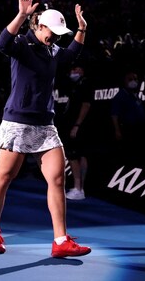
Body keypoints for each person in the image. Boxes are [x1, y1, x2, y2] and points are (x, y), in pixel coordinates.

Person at [0, 0, 91, 258]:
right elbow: (1, 44)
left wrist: (81, 29)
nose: (54, 36)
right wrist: (21, 15)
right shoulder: (22, 43)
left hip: (45, 125)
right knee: (4, 177)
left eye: (58, 33)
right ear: (40, 25)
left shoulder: (53, 50)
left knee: (56, 178)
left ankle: (61, 240)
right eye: (51, 31)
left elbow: (71, 55)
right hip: (17, 122)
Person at [57, 65, 93, 200]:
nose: (75, 72)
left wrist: (76, 125)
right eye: (72, 70)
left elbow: (86, 105)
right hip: (77, 126)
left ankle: (78, 188)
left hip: (78, 127)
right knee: (81, 155)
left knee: (73, 155)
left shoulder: (84, 85)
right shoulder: (74, 86)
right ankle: (81, 188)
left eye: (78, 69)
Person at [110, 70, 145, 164]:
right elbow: (114, 114)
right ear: (125, 81)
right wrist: (117, 130)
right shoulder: (120, 96)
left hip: (139, 127)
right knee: (130, 153)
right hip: (128, 129)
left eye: (135, 79)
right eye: (130, 79)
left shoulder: (135, 95)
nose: (133, 81)